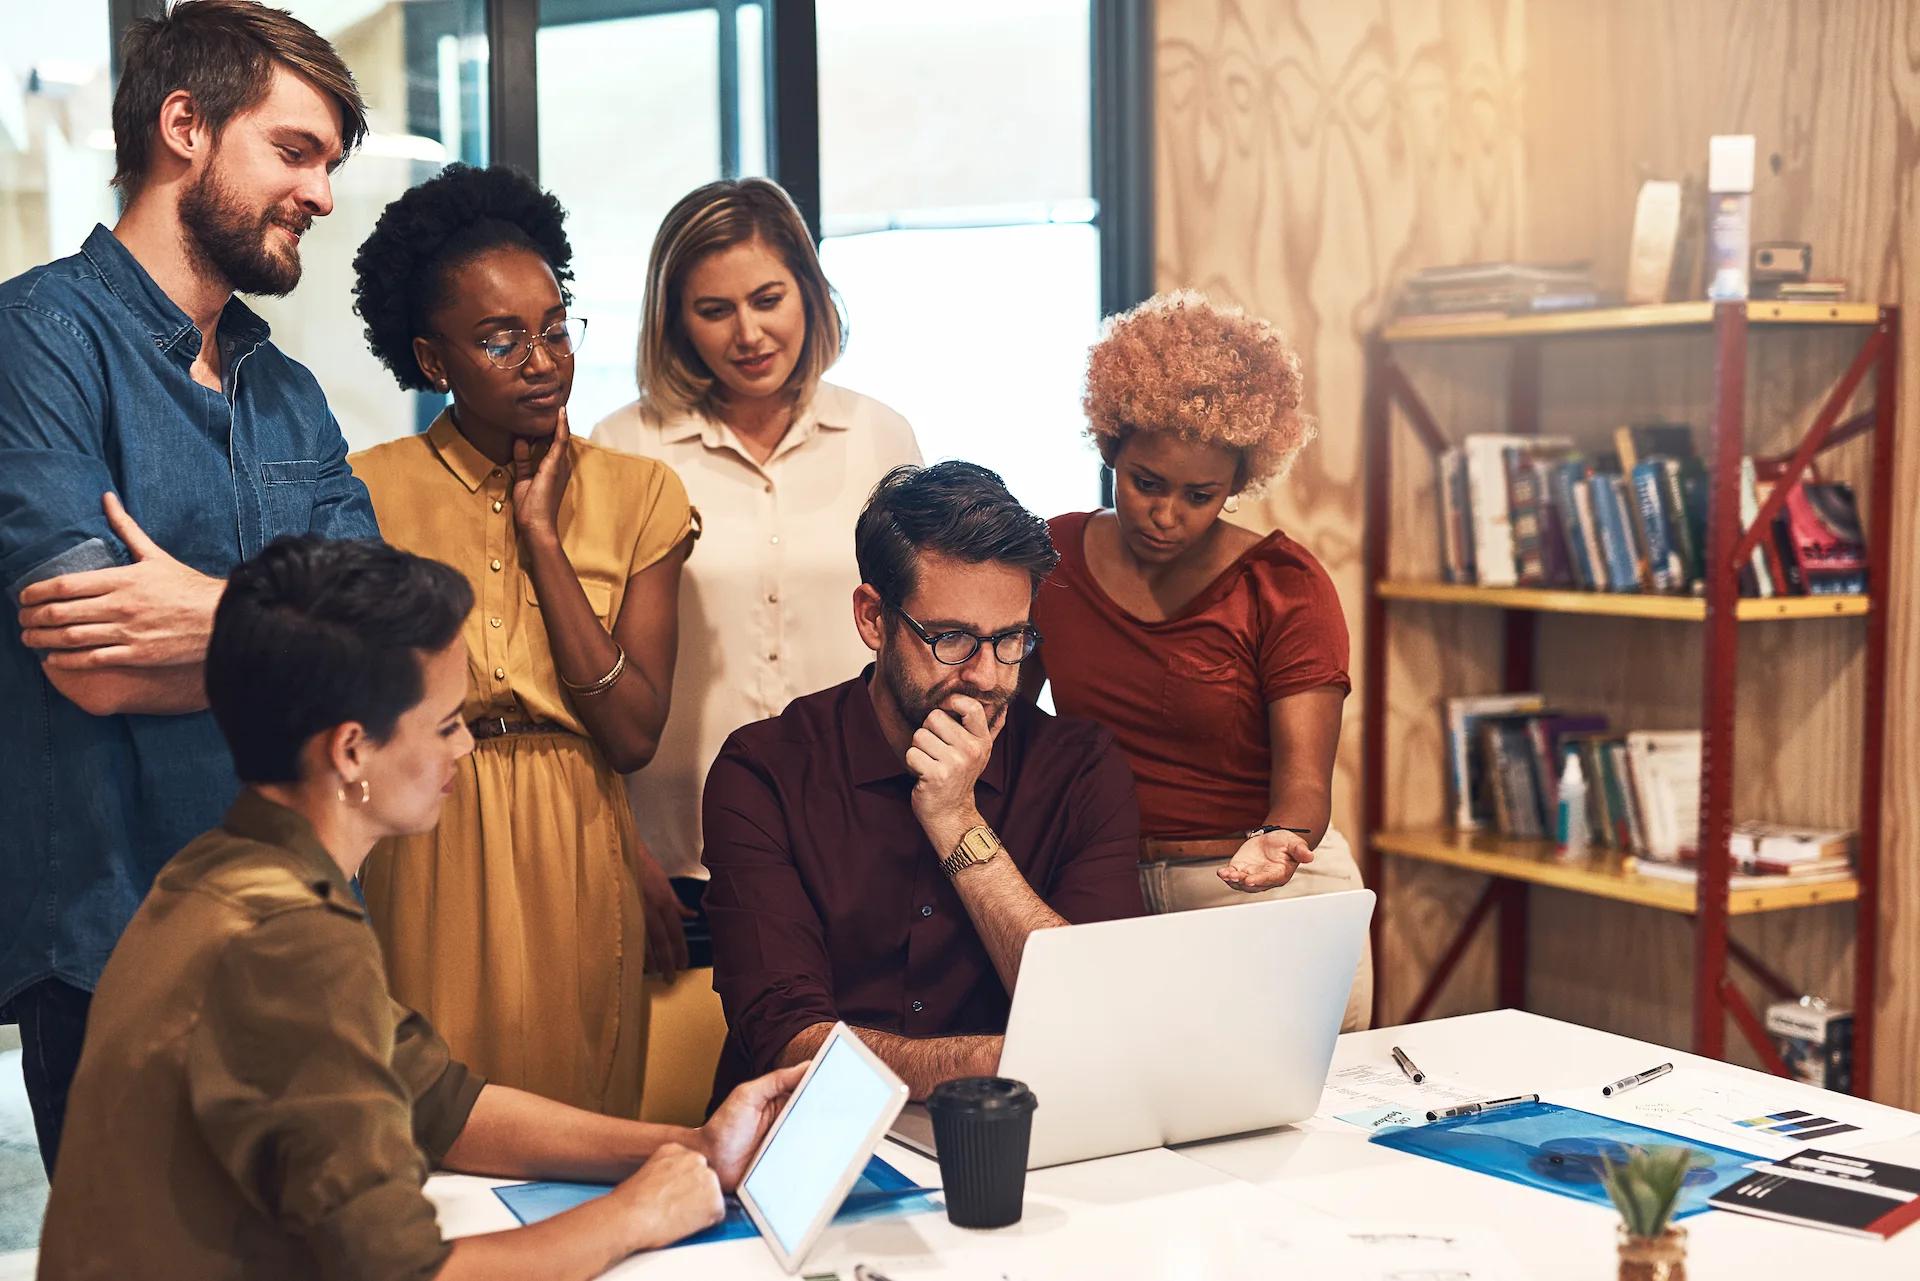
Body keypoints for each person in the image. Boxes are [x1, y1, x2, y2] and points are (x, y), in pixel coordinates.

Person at [36, 535, 804, 1281]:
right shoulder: (286, 938)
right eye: (446, 725)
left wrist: (694, 1146)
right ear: (350, 751)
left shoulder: (226, 867)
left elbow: (438, 1102)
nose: (466, 749)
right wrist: (636, 1213)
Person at [0, 0, 380, 1172]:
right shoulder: (36, 341)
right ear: (185, 127)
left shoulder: (292, 392)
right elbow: (97, 660)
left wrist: (212, 617)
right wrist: (304, 640)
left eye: (329, 164)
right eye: (296, 150)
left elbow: (401, 648)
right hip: (123, 956)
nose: (322, 195)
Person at [347, 164, 695, 1117]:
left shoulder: (641, 497)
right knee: (427, 1127)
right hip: (422, 838)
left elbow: (631, 736)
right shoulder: (362, 493)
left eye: (554, 327)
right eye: (501, 340)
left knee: (578, 1130)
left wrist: (542, 535)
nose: (542, 360)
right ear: (432, 359)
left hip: (580, 845)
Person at [703, 461, 1144, 1104]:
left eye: (1011, 639)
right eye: (952, 639)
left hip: (1010, 1135)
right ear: (874, 619)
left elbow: (1097, 1012)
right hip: (804, 1132)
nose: (989, 677)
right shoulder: (764, 770)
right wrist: (1003, 1060)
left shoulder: (1080, 769)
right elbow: (786, 1038)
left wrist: (958, 824)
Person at [592, 178, 921, 960]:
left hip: (857, 849)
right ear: (675, 322)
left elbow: (919, 644)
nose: (749, 333)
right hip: (678, 858)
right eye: (714, 310)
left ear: (809, 290)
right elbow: (582, 669)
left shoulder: (881, 435)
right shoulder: (622, 447)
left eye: (768, 297)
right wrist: (618, 847)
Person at [1023, 290, 1370, 1030]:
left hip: (1266, 897)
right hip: (1105, 893)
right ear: (1110, 443)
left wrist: (1281, 841)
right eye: (1146, 482)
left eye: (1201, 494)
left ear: (1239, 482)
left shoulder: (1284, 587)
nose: (1166, 513)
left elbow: (1304, 787)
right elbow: (1009, 732)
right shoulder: (1049, 559)